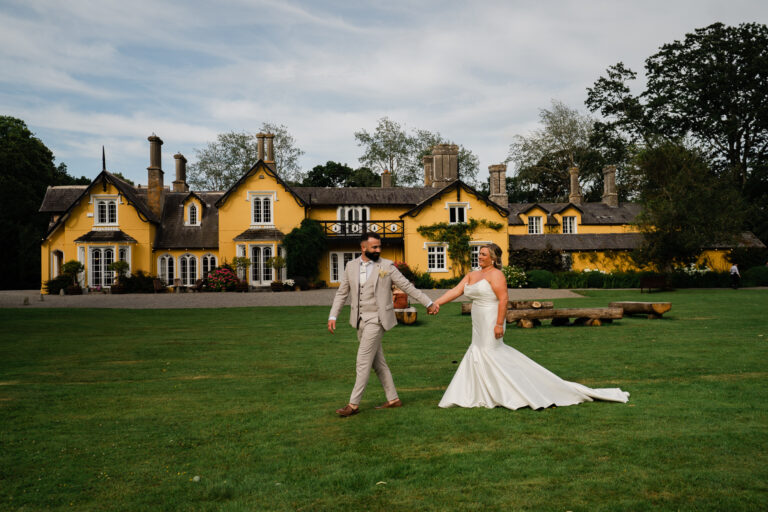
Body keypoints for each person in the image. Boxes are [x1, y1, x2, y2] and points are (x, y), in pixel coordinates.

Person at [432, 243, 629, 410]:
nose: (479, 256)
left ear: (492, 258)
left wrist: (500, 323)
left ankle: (513, 390)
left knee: (491, 352)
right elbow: (456, 291)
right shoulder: (471, 275)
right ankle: (481, 392)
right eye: (479, 253)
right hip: (478, 319)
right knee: (479, 351)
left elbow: (503, 300)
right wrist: (438, 303)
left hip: (492, 317)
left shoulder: (497, 275)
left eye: (483, 254)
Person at [328, 232, 439, 417]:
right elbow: (342, 293)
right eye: (374, 247)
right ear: (363, 248)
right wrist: (333, 316)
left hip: (377, 319)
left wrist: (428, 302)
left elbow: (406, 286)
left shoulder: (387, 266)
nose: (378, 250)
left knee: (362, 361)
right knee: (378, 363)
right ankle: (393, 399)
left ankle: (353, 404)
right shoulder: (351, 266)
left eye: (380, 247)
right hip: (359, 319)